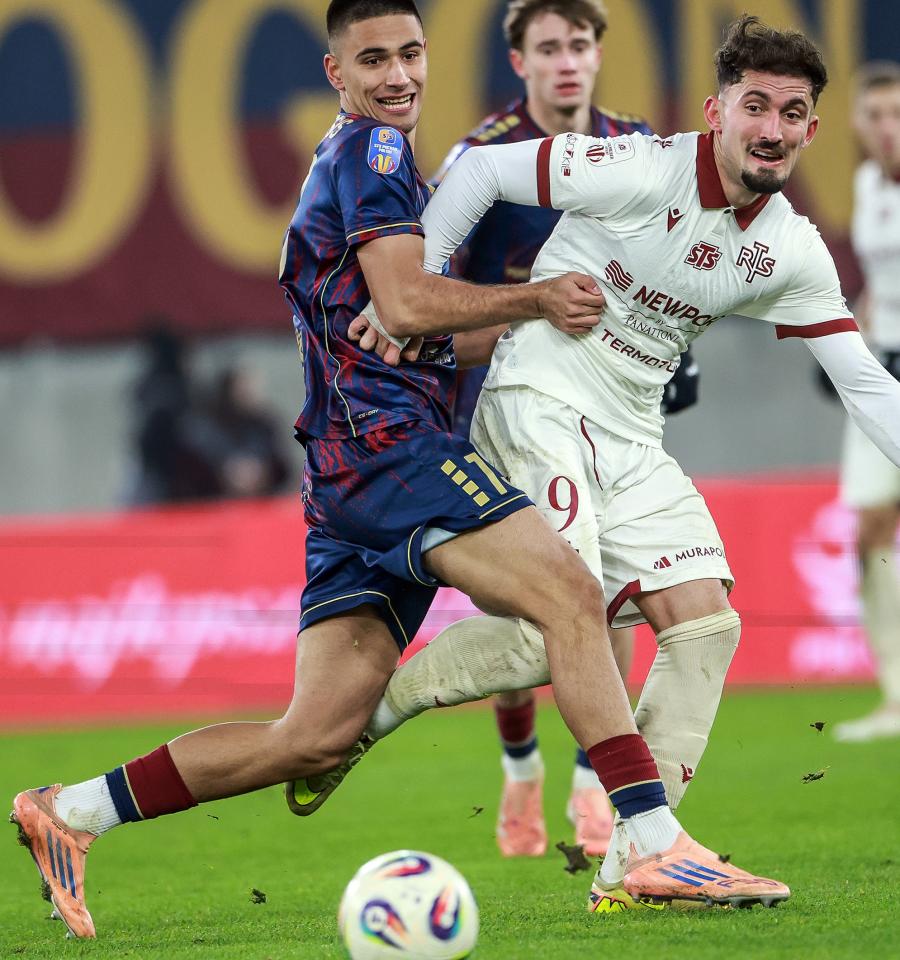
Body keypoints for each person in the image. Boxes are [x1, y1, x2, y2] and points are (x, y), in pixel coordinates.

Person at [10, 0, 785, 941]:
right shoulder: (372, 156)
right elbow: (412, 303)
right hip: (392, 457)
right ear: (336, 75)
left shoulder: (361, 168)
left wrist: (544, 328)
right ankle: (650, 841)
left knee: (313, 736)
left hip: (349, 477)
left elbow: (406, 335)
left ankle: (73, 810)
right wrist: (538, 296)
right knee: (573, 597)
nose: (398, 77)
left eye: (412, 55)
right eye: (372, 59)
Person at [347, 12, 900, 913]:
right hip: (540, 398)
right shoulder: (640, 165)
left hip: (633, 432)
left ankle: (635, 860)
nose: (770, 128)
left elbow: (868, 387)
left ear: (812, 129)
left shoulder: (790, 248)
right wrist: (413, 286)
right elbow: (485, 170)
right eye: (753, 105)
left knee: (707, 625)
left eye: (790, 113)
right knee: (557, 626)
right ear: (718, 111)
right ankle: (375, 707)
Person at [430, 0, 699, 861]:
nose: (566, 62)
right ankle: (520, 769)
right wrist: (526, 318)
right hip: (507, 410)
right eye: (548, 47)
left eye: (579, 44)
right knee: (525, 603)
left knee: (605, 590)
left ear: (597, 52)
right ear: (520, 62)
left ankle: (589, 781)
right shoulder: (481, 161)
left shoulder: (635, 148)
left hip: (613, 408)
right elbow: (437, 298)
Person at [832, 62, 900, 743]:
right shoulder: (866, 184)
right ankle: (897, 697)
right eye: (875, 115)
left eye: (899, 114)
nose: (887, 129)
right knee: (869, 534)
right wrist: (851, 336)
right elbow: (884, 283)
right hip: (886, 380)